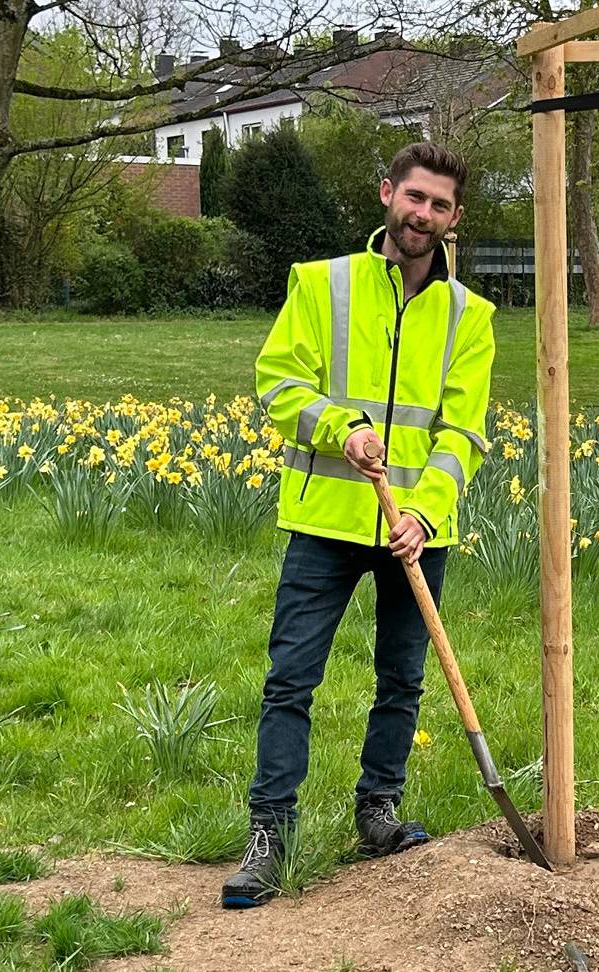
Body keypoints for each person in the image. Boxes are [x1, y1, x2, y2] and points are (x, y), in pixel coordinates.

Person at [222, 142, 495, 909]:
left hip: (414, 531)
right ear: (387, 194)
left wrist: (426, 512)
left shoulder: (470, 315)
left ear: (454, 217)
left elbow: (461, 431)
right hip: (326, 517)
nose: (424, 215)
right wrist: (340, 428)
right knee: (291, 680)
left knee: (402, 680)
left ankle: (378, 811)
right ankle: (269, 834)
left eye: (440, 205)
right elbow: (279, 384)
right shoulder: (322, 285)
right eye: (415, 197)